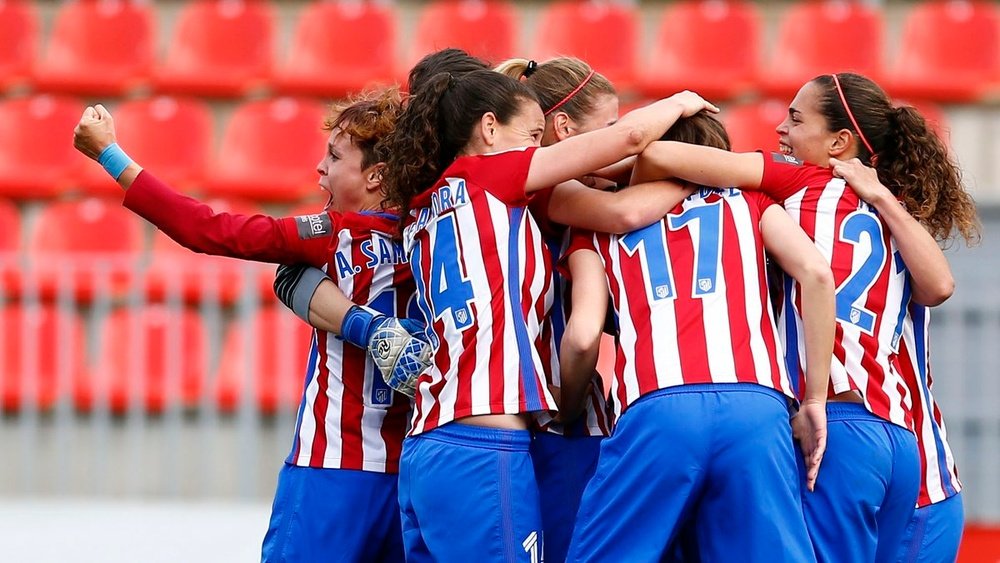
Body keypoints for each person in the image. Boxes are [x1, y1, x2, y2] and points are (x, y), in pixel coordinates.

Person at [374, 64, 717, 561]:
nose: (539, 149)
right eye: (534, 136)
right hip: (487, 438)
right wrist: (689, 117)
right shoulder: (494, 177)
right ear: (489, 129)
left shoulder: (427, 205)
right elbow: (631, 143)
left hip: (429, 437)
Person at [631, 72, 971, 562]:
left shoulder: (797, 178)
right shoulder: (893, 215)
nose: (780, 130)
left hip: (836, 423)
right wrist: (879, 196)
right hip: (907, 443)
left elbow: (660, 155)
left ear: (839, 141)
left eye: (794, 118)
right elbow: (939, 286)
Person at [74, 88, 417, 562]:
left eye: (334, 157)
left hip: (333, 467)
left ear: (376, 176)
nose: (320, 168)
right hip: (412, 476)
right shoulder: (437, 235)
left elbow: (208, 229)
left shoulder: (335, 234)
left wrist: (110, 156)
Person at [557, 112, 834, 562]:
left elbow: (584, 336)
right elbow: (818, 275)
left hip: (656, 408)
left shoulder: (598, 226)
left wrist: (570, 409)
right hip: (757, 406)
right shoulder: (751, 202)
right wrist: (815, 399)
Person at [493, 56, 697, 563]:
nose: (619, 137)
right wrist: (707, 173)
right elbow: (623, 213)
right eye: (607, 125)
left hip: (536, 409)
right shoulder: (541, 188)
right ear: (563, 128)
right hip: (557, 415)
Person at [828, 151, 978, 562]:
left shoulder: (892, 235)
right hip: (877, 464)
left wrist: (879, 196)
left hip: (921, 488)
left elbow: (942, 286)